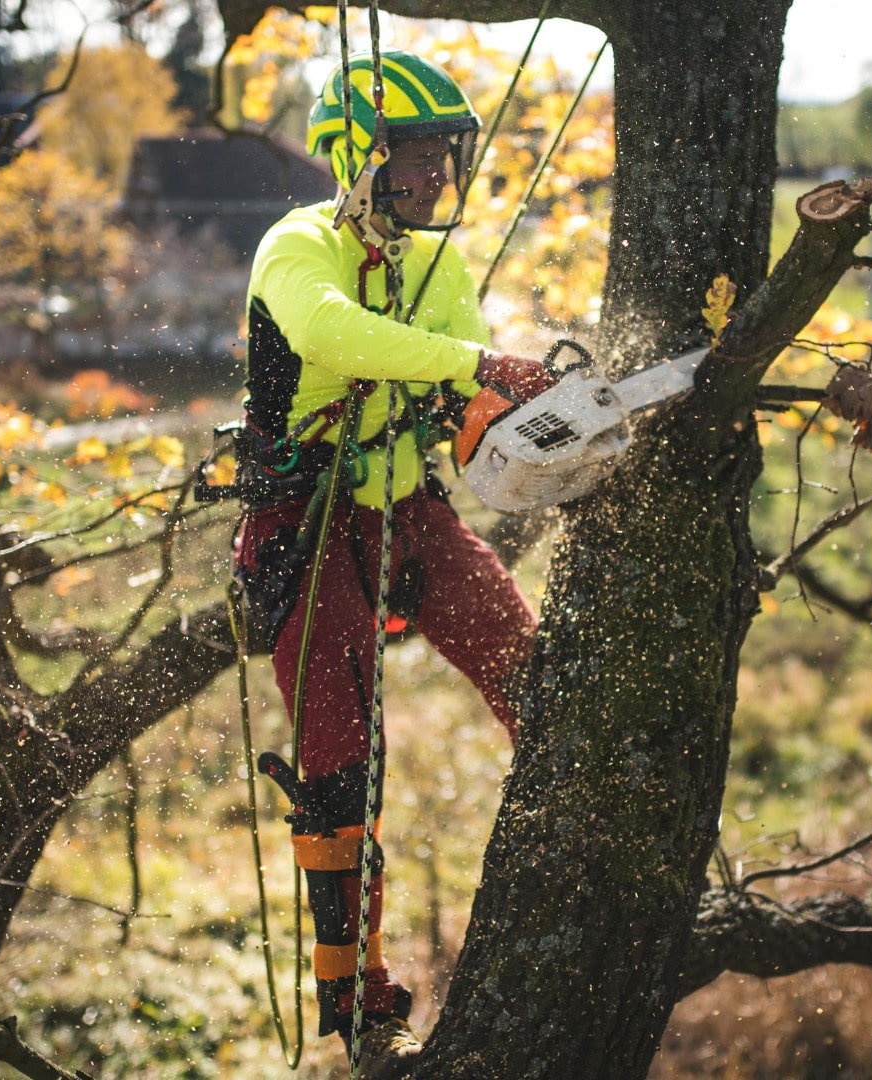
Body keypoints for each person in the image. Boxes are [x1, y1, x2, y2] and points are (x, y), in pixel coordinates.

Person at [230, 50, 556, 1078]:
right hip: (306, 522)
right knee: (338, 758)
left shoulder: (440, 268)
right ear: (361, 157)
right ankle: (361, 1010)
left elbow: (466, 384)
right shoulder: (297, 249)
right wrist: (474, 367)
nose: (439, 178)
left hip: (409, 509)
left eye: (444, 158)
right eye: (420, 157)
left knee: (535, 673)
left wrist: (524, 409)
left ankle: (578, 877)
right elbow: (337, 333)